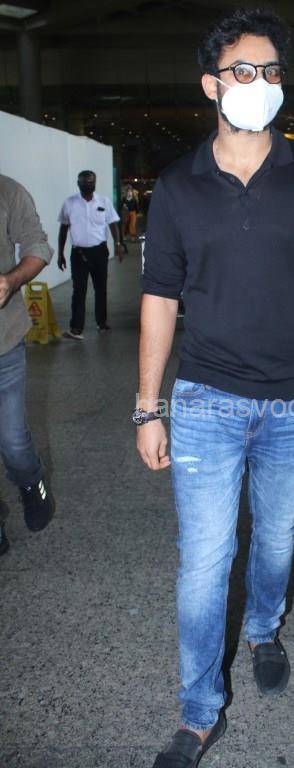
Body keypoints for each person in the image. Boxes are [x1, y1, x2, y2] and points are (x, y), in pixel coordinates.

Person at [136, 8, 294, 768]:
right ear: (211, 84)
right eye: (244, 70)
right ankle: (199, 712)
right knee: (205, 559)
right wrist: (147, 406)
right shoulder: (177, 187)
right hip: (205, 398)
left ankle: (265, 628)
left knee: (275, 536)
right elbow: (159, 301)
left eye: (272, 71)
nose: (261, 83)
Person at [0, 174, 56, 555]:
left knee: (14, 443)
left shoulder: (8, 191)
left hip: (4, 343)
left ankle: (32, 482)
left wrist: (11, 280)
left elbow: (37, 246)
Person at [57, 171, 122, 340]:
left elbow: (113, 224)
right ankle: (76, 328)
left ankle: (102, 322)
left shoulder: (104, 202)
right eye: (84, 182)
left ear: (95, 183)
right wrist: (60, 253)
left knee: (101, 288)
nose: (88, 185)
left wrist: (118, 244)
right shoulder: (69, 203)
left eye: (91, 182)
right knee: (79, 290)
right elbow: (63, 229)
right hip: (78, 253)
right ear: (78, 184)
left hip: (99, 252)